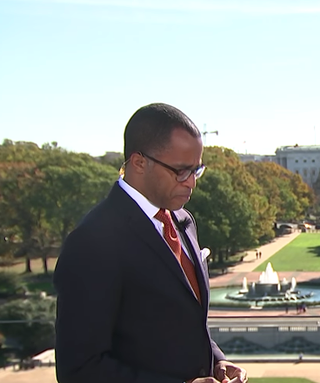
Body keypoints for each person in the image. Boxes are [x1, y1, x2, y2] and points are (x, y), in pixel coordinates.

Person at [54, 103, 248, 383]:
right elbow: (79, 370)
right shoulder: (92, 242)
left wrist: (217, 360)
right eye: (181, 171)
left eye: (197, 170)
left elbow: (185, 322)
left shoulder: (183, 221)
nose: (191, 183)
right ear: (139, 163)